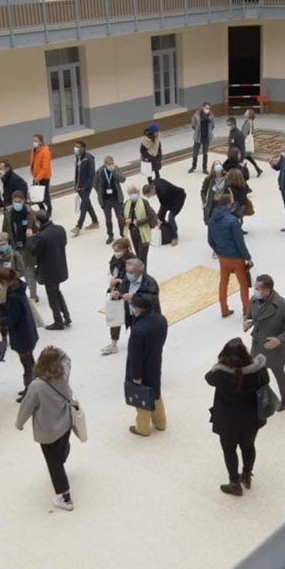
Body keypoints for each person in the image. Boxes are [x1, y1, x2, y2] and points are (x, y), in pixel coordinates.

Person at [16, 345, 77, 511]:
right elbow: (67, 358)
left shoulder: (36, 386)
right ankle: (62, 458)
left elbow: (27, 407)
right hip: (66, 422)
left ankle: (66, 498)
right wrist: (56, 350)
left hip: (48, 430)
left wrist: (19, 423)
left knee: (53, 463)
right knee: (62, 448)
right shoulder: (63, 373)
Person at [205, 338, 270, 496]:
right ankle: (247, 475)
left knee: (229, 450)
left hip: (227, 421)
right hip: (252, 419)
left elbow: (208, 378)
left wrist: (220, 364)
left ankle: (234, 483)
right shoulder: (258, 370)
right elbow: (266, 380)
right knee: (248, 446)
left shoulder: (220, 373)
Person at [244, 274, 285, 412]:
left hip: (273, 349)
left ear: (267, 291)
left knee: (279, 374)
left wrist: (279, 339)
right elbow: (250, 315)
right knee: (256, 374)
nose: (254, 291)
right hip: (257, 345)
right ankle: (263, 397)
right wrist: (247, 322)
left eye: (257, 288)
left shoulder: (283, 305)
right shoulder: (255, 300)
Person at [0, 266, 39, 400]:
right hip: (27, 331)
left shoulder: (13, 297)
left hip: (22, 335)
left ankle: (30, 390)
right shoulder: (18, 289)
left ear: (5, 281)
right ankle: (33, 386)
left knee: (27, 363)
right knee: (29, 360)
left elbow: (12, 318)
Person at [126, 294, 169, 437]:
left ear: (141, 309)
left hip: (142, 367)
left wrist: (136, 376)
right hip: (156, 361)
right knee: (155, 391)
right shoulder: (161, 320)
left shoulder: (137, 330)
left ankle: (142, 428)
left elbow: (135, 356)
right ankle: (160, 422)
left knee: (142, 396)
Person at [208, 193, 252, 318]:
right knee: (243, 284)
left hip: (222, 257)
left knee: (223, 283)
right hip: (236, 258)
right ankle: (246, 309)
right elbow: (239, 242)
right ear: (228, 204)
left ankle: (224, 309)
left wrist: (218, 250)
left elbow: (210, 240)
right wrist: (247, 257)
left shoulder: (211, 220)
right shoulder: (232, 221)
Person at [105, 255, 160, 356]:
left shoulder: (150, 283)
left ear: (139, 272)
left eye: (130, 272)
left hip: (146, 318)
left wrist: (134, 297)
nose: (127, 274)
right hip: (133, 316)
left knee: (148, 347)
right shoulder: (128, 279)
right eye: (127, 271)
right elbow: (122, 289)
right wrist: (118, 294)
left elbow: (151, 299)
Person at [27, 210, 71, 331]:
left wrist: (30, 239)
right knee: (57, 292)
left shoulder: (42, 237)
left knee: (52, 296)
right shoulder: (59, 229)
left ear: (38, 222)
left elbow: (34, 251)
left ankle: (58, 321)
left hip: (48, 270)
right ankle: (66, 316)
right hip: (60, 265)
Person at [3, 190, 39, 302]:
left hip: (27, 247)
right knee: (20, 273)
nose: (17, 204)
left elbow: (38, 229)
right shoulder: (8, 214)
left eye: (19, 201)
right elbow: (5, 230)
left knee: (30, 272)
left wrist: (33, 232)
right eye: (15, 201)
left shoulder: (30, 213)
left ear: (24, 201)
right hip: (15, 247)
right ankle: (27, 293)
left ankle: (33, 296)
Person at [123, 184, 157, 270]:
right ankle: (140, 272)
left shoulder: (144, 203)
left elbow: (150, 215)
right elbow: (121, 214)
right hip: (133, 232)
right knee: (138, 255)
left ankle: (143, 274)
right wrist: (125, 220)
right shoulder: (127, 203)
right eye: (131, 194)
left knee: (142, 256)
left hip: (143, 231)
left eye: (135, 193)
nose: (133, 195)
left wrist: (139, 222)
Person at [0, 232, 26, 307]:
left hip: (13, 286)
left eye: (4, 244)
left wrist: (9, 276)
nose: (2, 246)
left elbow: (21, 271)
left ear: (8, 242)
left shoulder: (15, 255)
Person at [143, 178, 186, 246]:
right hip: (169, 197)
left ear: (152, 190)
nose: (150, 197)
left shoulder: (163, 191)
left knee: (171, 217)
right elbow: (163, 205)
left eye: (150, 195)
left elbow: (164, 205)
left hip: (178, 198)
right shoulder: (154, 182)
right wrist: (160, 217)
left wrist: (159, 219)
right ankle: (168, 228)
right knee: (160, 216)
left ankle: (175, 237)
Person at [94, 156, 126, 244]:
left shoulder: (116, 169)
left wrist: (114, 172)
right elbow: (95, 184)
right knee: (108, 219)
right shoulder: (99, 172)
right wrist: (100, 193)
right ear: (104, 164)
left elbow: (123, 179)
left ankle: (123, 234)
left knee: (120, 218)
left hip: (116, 198)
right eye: (109, 164)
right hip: (106, 200)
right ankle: (110, 235)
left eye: (112, 164)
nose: (111, 165)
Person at [71, 140, 99, 236]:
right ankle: (95, 221)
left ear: (83, 148)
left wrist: (85, 187)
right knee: (87, 203)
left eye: (78, 147)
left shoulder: (88, 159)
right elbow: (77, 173)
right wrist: (75, 185)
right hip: (79, 186)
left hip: (86, 187)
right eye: (75, 146)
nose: (76, 149)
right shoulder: (78, 157)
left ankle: (78, 226)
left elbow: (91, 175)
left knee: (83, 206)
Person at [189, 102, 214, 174]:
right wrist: (197, 131)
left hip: (206, 137)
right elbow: (193, 125)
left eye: (209, 108)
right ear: (203, 108)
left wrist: (209, 132)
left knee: (205, 153)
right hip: (198, 137)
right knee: (195, 153)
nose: (207, 110)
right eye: (206, 108)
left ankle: (204, 168)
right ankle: (193, 166)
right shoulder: (196, 115)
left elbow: (213, 125)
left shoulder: (211, 116)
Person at [29, 133, 52, 212]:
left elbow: (45, 168)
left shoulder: (45, 152)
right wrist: (32, 172)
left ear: (41, 142)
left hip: (44, 177)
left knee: (45, 195)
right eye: (33, 141)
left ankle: (49, 209)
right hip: (36, 176)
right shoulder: (34, 150)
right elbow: (33, 161)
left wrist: (38, 177)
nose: (34, 142)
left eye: (36, 141)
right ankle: (42, 209)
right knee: (36, 195)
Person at [240, 108, 262, 177]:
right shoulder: (251, 122)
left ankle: (244, 173)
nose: (245, 113)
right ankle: (258, 169)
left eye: (246, 112)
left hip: (245, 143)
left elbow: (244, 134)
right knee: (248, 157)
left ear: (248, 115)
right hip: (249, 142)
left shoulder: (248, 122)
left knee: (242, 158)